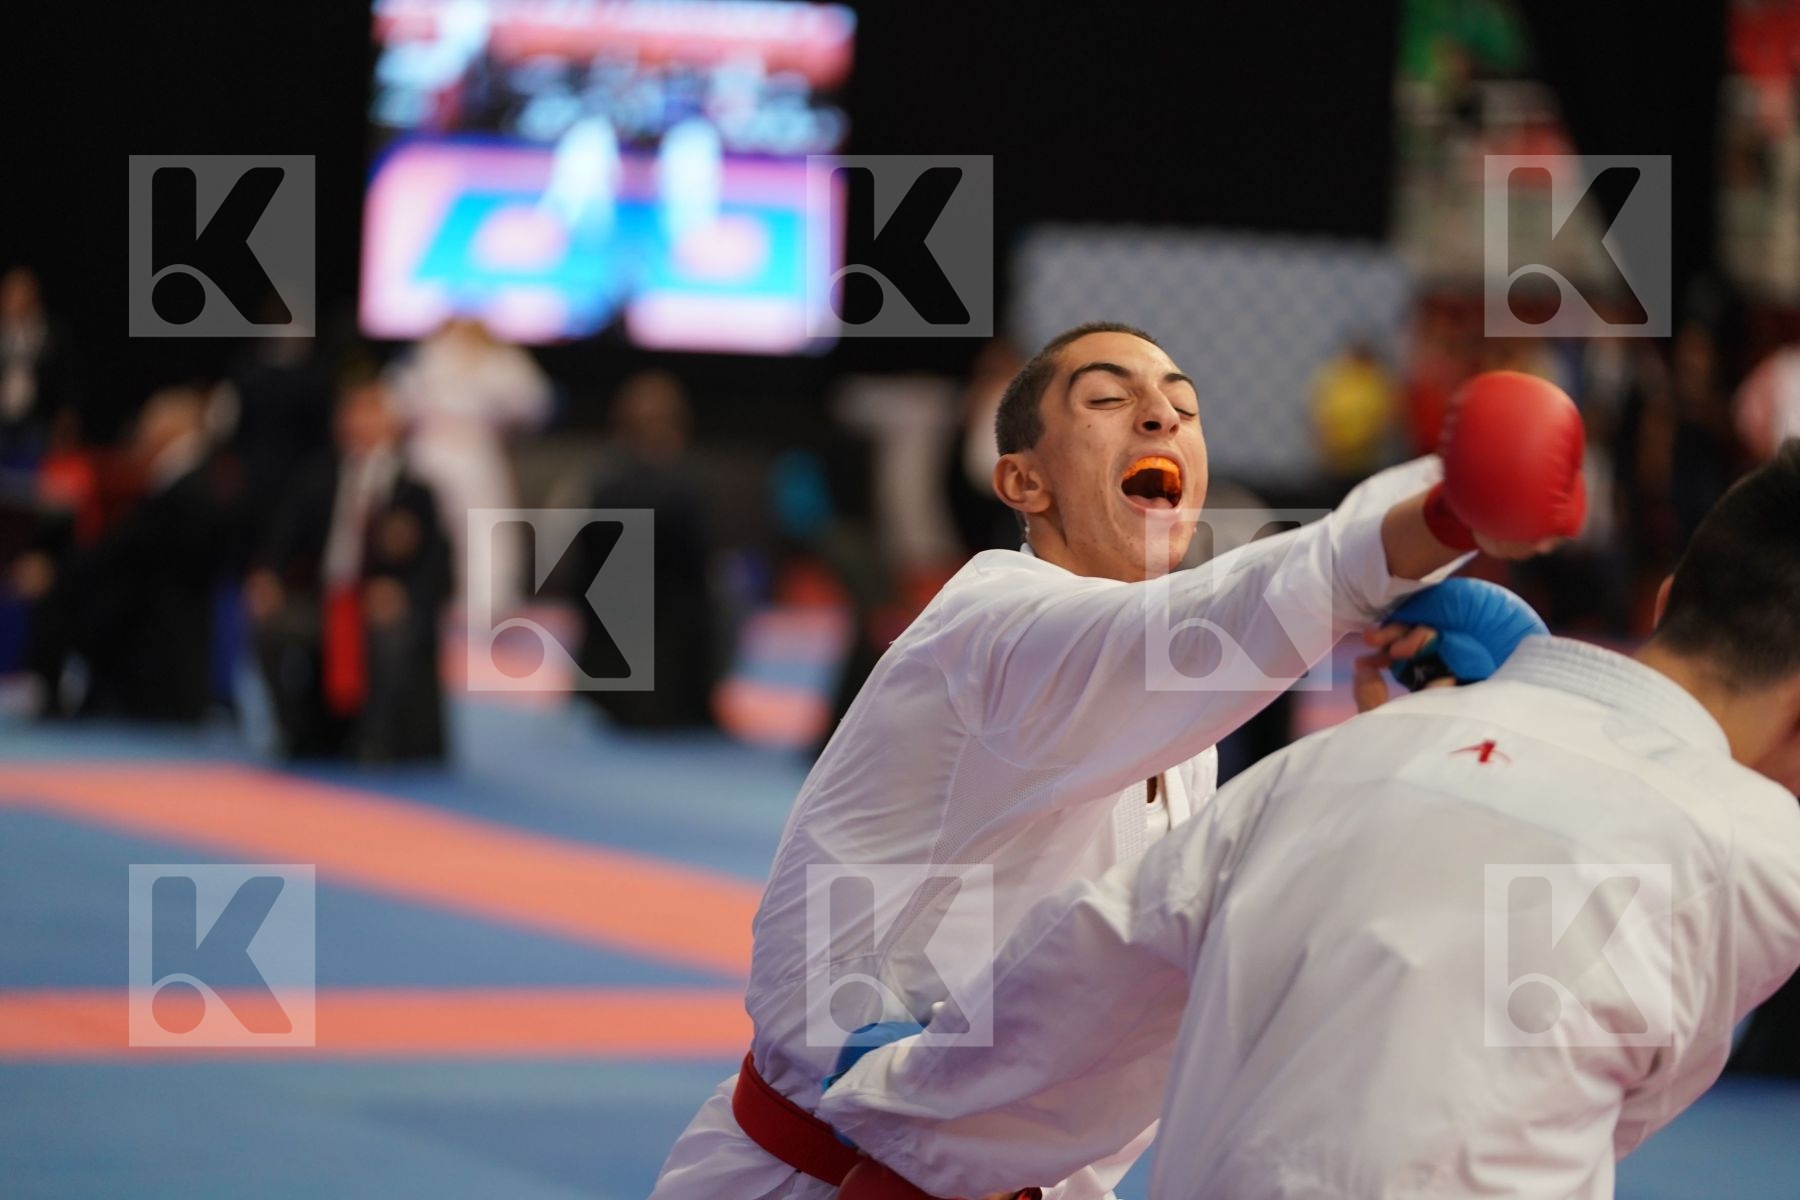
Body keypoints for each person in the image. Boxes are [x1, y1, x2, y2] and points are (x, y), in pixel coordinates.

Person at [648, 323, 1586, 1200]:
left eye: (1183, 405)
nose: (1161, 415)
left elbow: (1225, 941)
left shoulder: (1184, 738)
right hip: (811, 1177)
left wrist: (1412, 748)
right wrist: (1443, 514)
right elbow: (1231, 611)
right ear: (1022, 482)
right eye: (1108, 399)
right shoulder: (991, 628)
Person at [820, 444, 1800, 1200]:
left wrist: (905, 1089)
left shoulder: (1320, 769)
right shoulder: (1761, 853)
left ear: (1669, 599)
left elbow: (1089, 958)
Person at [246, 368, 453, 762]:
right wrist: (267, 577)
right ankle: (293, 729)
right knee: (267, 624)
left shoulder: (416, 490)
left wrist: (401, 592)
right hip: (322, 601)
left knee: (390, 631)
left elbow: (434, 565)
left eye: (370, 411)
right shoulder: (317, 479)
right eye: (353, 411)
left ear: (393, 423)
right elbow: (283, 540)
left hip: (378, 609)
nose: (359, 421)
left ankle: (374, 737)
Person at [13, 387, 224, 721]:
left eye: (147, 426)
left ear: (167, 431)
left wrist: (57, 573)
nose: (140, 435)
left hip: (160, 638)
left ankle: (58, 693)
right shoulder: (185, 481)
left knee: (72, 598)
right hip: (154, 617)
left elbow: (123, 551)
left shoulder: (184, 487)